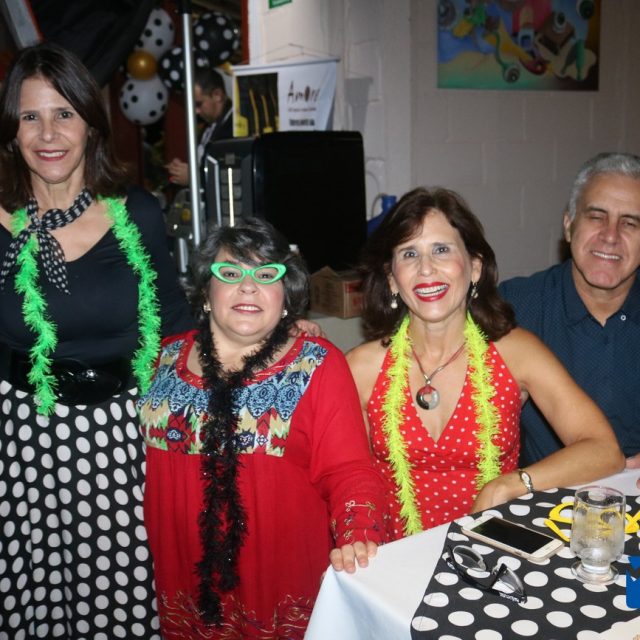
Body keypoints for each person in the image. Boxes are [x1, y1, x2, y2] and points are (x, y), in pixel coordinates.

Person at [0, 43, 194, 639]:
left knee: (118, 602)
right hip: (19, 444)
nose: (48, 133)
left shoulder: (136, 213)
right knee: (30, 602)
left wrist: (272, 340)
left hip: (119, 443)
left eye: (64, 113)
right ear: (11, 131)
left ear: (90, 122)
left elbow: (178, 325)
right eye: (30, 117)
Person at [136, 218, 387, 638]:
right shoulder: (159, 360)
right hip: (180, 585)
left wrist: (358, 534)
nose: (248, 287)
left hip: (280, 588)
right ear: (206, 291)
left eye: (266, 275)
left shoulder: (318, 364)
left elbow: (349, 470)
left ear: (286, 297)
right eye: (230, 273)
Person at [346, 186, 625, 541]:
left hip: (491, 551)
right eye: (409, 253)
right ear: (392, 279)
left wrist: (513, 483)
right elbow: (347, 479)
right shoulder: (362, 368)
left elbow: (604, 449)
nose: (426, 268)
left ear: (475, 267)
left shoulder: (516, 353)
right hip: (395, 554)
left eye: (442, 249)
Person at [499, 152, 640, 468]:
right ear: (568, 225)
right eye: (596, 217)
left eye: (630, 223)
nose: (610, 236)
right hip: (545, 491)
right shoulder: (514, 307)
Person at [165, 66, 233, 186]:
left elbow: (230, 172)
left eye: (199, 104)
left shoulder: (234, 125)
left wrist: (194, 177)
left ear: (217, 95)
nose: (196, 111)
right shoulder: (209, 125)